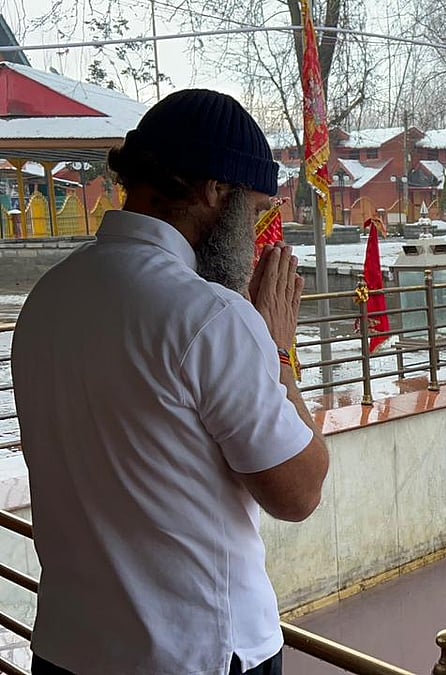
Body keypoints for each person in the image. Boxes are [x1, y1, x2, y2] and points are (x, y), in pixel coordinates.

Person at [12, 89, 329, 675]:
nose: (256, 233)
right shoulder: (210, 316)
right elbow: (299, 492)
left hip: (65, 650)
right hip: (194, 656)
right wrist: (278, 351)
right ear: (214, 191)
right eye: (255, 209)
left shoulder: (47, 299)